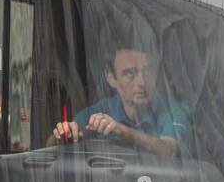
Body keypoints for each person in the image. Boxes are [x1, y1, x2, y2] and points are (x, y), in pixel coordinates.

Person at [50, 43, 191, 158]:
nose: (142, 82)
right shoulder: (98, 112)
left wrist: (122, 131)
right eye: (130, 73)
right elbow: (52, 149)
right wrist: (61, 136)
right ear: (111, 79)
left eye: (148, 71)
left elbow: (171, 151)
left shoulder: (172, 111)